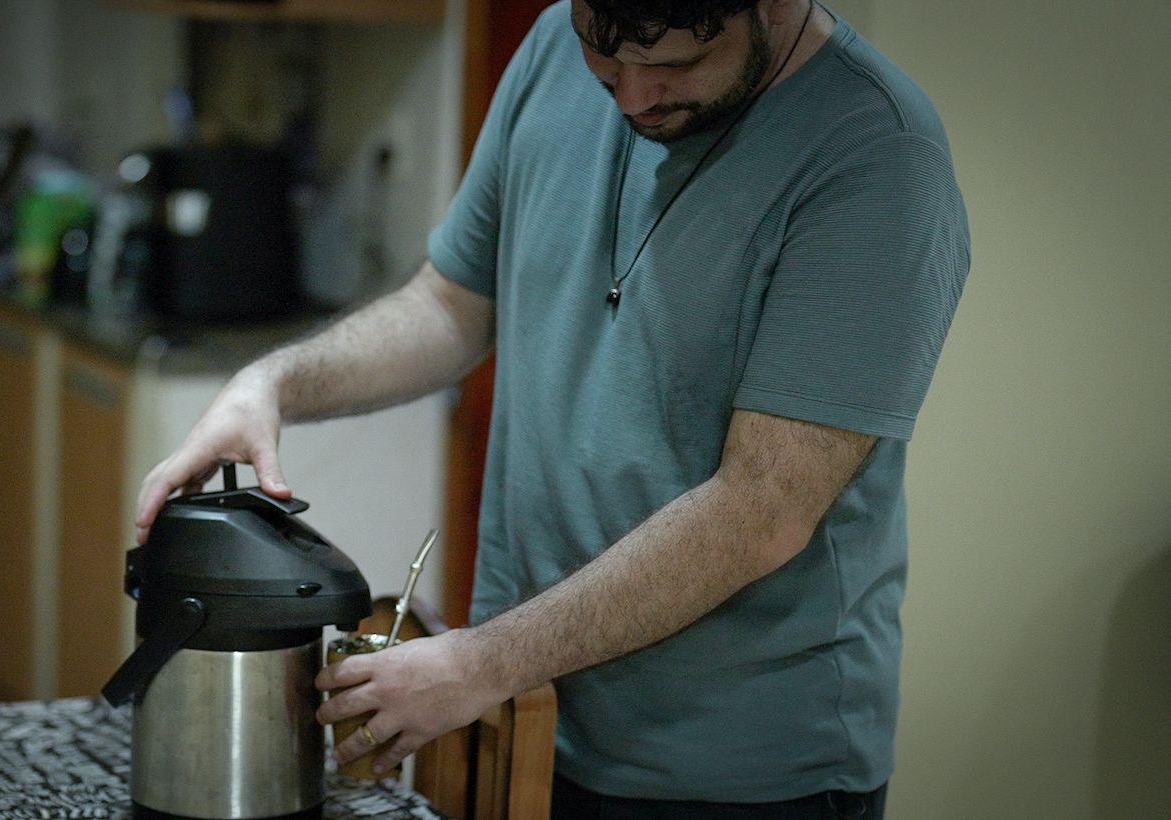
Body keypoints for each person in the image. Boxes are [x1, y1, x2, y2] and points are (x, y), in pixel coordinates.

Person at [135, 0, 969, 816]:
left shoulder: (878, 158)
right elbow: (451, 306)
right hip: (529, 714)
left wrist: (483, 662)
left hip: (736, 771)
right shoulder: (548, 45)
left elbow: (761, 509)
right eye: (606, 69)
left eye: (677, 64)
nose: (636, 100)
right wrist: (274, 383)